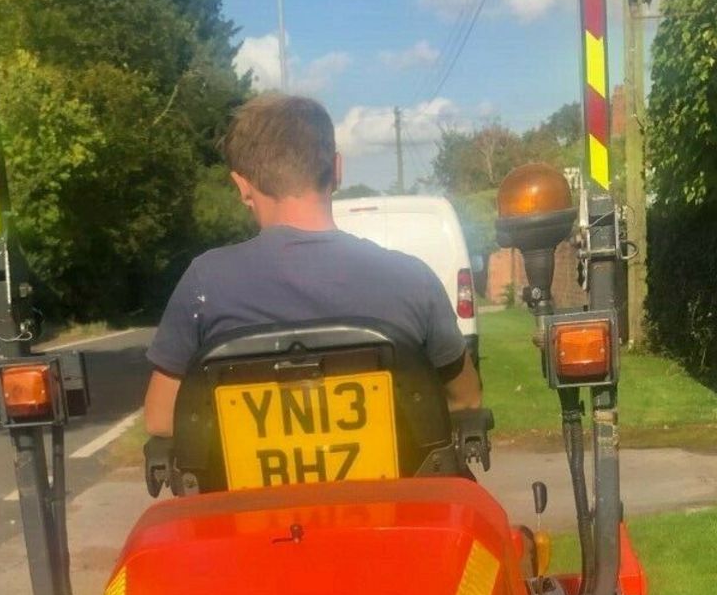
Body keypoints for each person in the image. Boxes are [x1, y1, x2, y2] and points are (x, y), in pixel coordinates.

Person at [143, 94, 483, 434]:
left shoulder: (205, 283)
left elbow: (161, 420)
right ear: (337, 171)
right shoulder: (413, 279)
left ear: (242, 186)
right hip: (385, 488)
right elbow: (466, 400)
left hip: (252, 489)